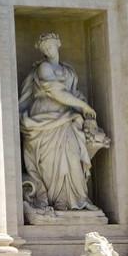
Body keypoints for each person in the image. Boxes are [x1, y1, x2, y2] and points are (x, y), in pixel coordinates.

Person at [18, 32, 108, 214]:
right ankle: (56, 202)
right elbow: (56, 92)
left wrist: (81, 106)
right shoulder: (43, 68)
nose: (48, 50)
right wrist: (83, 106)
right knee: (50, 163)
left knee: (73, 157)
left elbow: (72, 92)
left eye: (50, 46)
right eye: (45, 48)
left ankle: (79, 199)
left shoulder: (69, 70)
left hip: (67, 119)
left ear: (58, 44)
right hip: (44, 120)